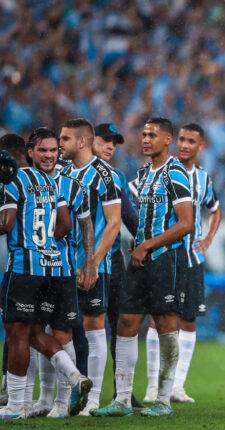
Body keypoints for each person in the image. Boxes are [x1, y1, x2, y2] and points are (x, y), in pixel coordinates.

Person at [92, 117, 193, 418]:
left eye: (153, 135)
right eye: (144, 134)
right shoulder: (144, 173)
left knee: (164, 324)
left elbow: (186, 223)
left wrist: (148, 244)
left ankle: (163, 399)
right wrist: (141, 246)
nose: (146, 139)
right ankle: (123, 399)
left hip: (164, 259)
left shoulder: (176, 173)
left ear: (167, 140)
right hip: (140, 258)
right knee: (125, 323)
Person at [0, 129, 93, 420]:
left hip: (24, 270)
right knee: (37, 333)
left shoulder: (15, 180)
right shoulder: (56, 184)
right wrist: (49, 246)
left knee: (18, 334)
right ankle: (75, 376)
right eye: (43, 151)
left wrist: (32, 243)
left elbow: (5, 224)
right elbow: (65, 223)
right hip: (53, 270)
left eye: (53, 151)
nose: (49, 156)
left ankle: (16, 406)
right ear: (30, 152)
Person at [142, 123, 221, 404]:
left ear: (201, 147)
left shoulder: (202, 178)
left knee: (188, 321)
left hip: (192, 260)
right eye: (182, 140)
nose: (185, 145)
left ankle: (177, 385)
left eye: (191, 141)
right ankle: (153, 385)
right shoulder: (162, 171)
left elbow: (214, 208)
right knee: (158, 319)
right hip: (164, 258)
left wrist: (209, 237)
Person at [58, 118, 122, 415]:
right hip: (63, 266)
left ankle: (93, 399)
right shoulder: (62, 173)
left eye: (66, 138)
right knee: (61, 330)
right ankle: (63, 396)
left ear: (82, 142)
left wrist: (92, 262)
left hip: (96, 264)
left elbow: (113, 223)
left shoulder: (104, 175)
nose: (61, 144)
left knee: (94, 327)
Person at [91, 122, 141, 410]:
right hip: (82, 262)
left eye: (114, 142)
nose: (110, 146)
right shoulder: (72, 173)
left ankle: (123, 392)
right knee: (80, 328)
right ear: (90, 141)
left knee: (119, 326)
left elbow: (130, 217)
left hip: (113, 262)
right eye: (105, 140)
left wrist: (145, 242)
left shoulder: (118, 176)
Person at [0, 133, 28, 407]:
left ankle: (12, 390)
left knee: (16, 327)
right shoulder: (45, 179)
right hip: (49, 263)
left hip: (17, 262)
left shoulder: (13, 182)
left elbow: (6, 224)